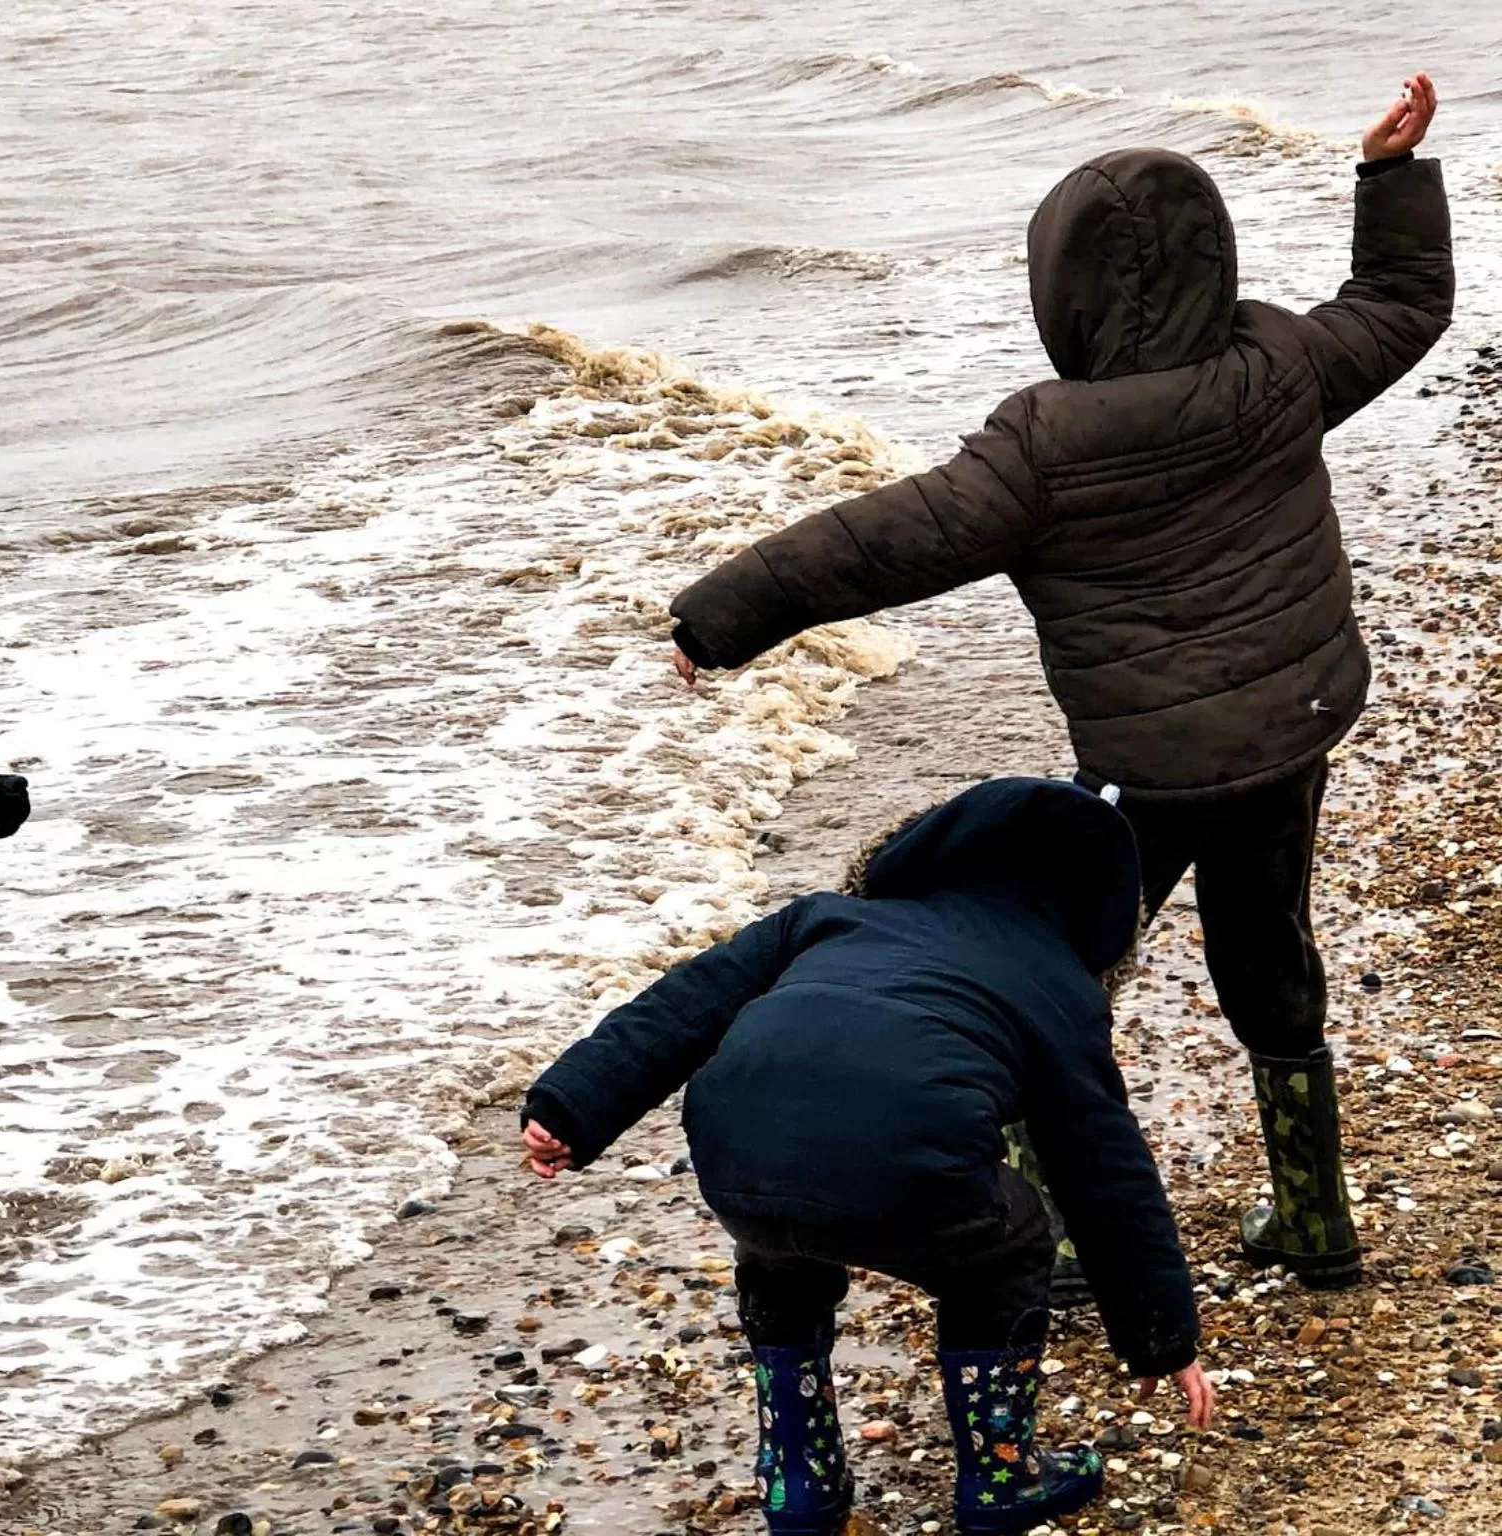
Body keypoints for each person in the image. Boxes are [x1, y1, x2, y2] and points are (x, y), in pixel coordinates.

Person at [664, 76, 1453, 1292]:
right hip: (1294, 723)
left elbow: (881, 541)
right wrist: (1386, 177)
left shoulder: (1040, 447)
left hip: (1150, 769)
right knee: (1266, 947)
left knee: (1048, 972)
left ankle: (1058, 1243)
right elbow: (1400, 303)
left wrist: (722, 617)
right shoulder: (1276, 362)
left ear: (1063, 296)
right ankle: (1312, 1219)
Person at [521, 778, 1214, 1536]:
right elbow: (1104, 1171)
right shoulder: (1058, 989)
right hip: (910, 1164)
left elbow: (678, 1007)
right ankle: (1001, 1475)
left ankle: (800, 1477)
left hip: (737, 1147)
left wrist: (570, 1107)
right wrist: (1159, 1337)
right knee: (1010, 1243)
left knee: (779, 1243)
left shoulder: (825, 918)